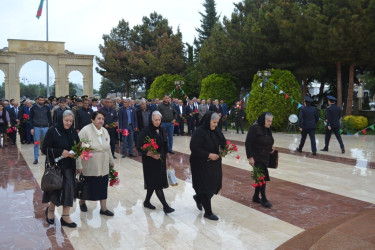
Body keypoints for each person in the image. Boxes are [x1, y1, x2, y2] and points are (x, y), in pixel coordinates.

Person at [42, 110, 79, 228]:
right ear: (61, 119)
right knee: (55, 190)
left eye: (70, 121)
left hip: (69, 166)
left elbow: (77, 146)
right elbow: (44, 149)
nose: (68, 123)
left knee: (69, 191)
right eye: (66, 121)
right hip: (56, 168)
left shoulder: (73, 131)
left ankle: (65, 216)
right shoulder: (53, 131)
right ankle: (51, 211)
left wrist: (76, 152)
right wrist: (60, 152)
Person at [76, 111, 115, 216]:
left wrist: (111, 160)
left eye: (102, 118)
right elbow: (78, 149)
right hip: (90, 165)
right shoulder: (85, 130)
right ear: (92, 120)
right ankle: (82, 202)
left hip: (103, 164)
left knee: (103, 186)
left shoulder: (105, 131)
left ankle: (103, 208)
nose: (101, 121)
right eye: (98, 118)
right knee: (87, 185)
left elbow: (108, 148)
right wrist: (78, 165)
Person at [190, 111, 226, 220]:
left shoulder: (216, 130)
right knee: (205, 187)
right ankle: (208, 212)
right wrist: (208, 155)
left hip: (214, 163)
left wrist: (224, 149)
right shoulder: (199, 132)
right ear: (208, 121)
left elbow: (223, 141)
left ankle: (199, 198)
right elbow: (194, 148)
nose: (216, 125)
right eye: (214, 122)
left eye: (217, 122)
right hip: (200, 163)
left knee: (215, 185)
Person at [136, 111, 175, 214]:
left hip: (160, 160)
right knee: (157, 183)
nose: (158, 122)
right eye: (156, 120)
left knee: (153, 183)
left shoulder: (162, 129)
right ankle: (165, 206)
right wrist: (150, 153)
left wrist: (168, 157)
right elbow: (139, 145)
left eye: (159, 120)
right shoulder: (146, 131)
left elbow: (165, 144)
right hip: (150, 162)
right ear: (151, 120)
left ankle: (146, 201)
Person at [245, 112, 274, 208]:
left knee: (259, 177)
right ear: (263, 120)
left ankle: (256, 196)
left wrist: (271, 147)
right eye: (268, 121)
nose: (270, 123)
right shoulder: (254, 128)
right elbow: (248, 143)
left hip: (265, 157)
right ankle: (264, 198)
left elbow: (269, 139)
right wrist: (250, 157)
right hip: (256, 157)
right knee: (262, 177)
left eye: (271, 121)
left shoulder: (267, 129)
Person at [30, 96, 52, 164]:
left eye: (43, 100)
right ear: (37, 100)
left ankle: (48, 158)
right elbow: (31, 118)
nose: (41, 101)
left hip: (45, 127)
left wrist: (51, 127)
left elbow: (49, 118)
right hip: (36, 128)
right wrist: (32, 128)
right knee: (36, 143)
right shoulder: (33, 108)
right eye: (40, 100)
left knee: (47, 143)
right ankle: (36, 158)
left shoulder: (47, 108)